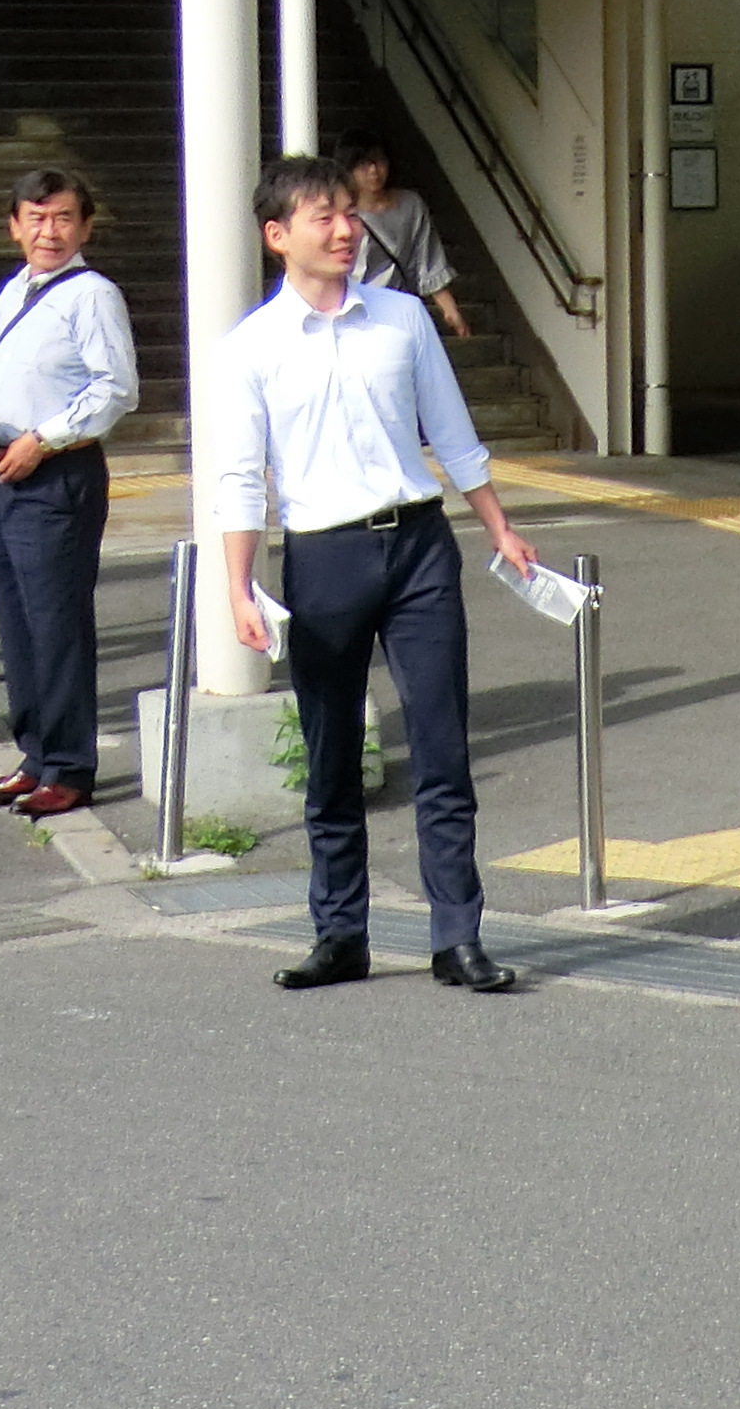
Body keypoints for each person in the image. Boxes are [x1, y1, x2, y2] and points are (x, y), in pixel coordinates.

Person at [201, 154, 549, 996]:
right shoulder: (250, 348)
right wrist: (238, 588)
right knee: (329, 755)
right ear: (278, 235)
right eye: (324, 217)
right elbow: (240, 477)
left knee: (441, 746)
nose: (346, 228)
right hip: (323, 556)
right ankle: (340, 934)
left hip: (420, 547)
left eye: (349, 215)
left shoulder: (402, 320)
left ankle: (457, 937)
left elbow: (453, 429)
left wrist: (497, 522)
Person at [0, 166, 137, 819]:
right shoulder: (15, 291)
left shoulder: (92, 295)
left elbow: (115, 389)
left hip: (56, 472)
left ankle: (68, 766)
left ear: (86, 226)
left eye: (63, 218)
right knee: (17, 619)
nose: (49, 231)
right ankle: (35, 755)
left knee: (58, 625)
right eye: (36, 219)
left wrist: (45, 437)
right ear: (13, 227)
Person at [337, 136, 472, 342]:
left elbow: (428, 258)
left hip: (398, 308)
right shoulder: (341, 214)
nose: (373, 171)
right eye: (363, 164)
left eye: (379, 161)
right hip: (351, 307)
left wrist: (450, 309)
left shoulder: (411, 205)